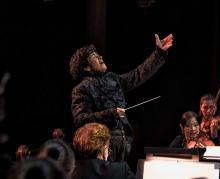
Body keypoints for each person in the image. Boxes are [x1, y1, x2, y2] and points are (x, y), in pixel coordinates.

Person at [70, 33, 173, 161]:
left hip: (125, 143)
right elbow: (80, 119)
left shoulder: (112, 78)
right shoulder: (81, 89)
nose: (100, 57)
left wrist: (158, 54)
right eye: (94, 56)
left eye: (98, 54)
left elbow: (137, 75)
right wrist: (111, 113)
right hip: (102, 147)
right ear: (86, 66)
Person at [72, 122, 137, 179]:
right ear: (104, 146)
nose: (109, 151)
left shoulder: (70, 171)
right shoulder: (121, 170)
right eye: (108, 147)